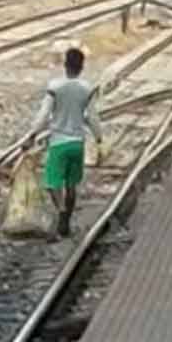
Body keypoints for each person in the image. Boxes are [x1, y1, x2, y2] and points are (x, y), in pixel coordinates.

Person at [23, 47, 102, 239]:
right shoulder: (87, 89)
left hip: (59, 143)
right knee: (71, 185)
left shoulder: (55, 87)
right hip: (77, 144)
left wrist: (32, 134)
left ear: (65, 65)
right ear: (82, 67)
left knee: (51, 182)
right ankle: (66, 218)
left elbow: (43, 116)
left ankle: (61, 211)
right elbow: (92, 117)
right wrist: (98, 137)